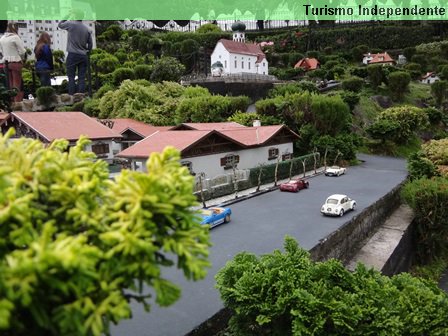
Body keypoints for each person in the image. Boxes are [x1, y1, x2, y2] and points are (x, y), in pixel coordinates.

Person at [58, 16, 92, 95]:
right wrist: (87, 52)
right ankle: (81, 97)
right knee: (82, 78)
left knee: (71, 77)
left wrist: (67, 16)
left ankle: (72, 97)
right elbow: (90, 44)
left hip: (72, 54)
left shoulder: (71, 24)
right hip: (83, 56)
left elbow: (60, 25)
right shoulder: (87, 29)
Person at [0, 22, 26, 102]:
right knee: (17, 84)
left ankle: (11, 101)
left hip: (5, 62)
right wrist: (22, 59)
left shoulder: (2, 38)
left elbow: (1, 51)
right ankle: (17, 102)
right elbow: (22, 51)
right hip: (15, 61)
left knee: (9, 84)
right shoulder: (15, 37)